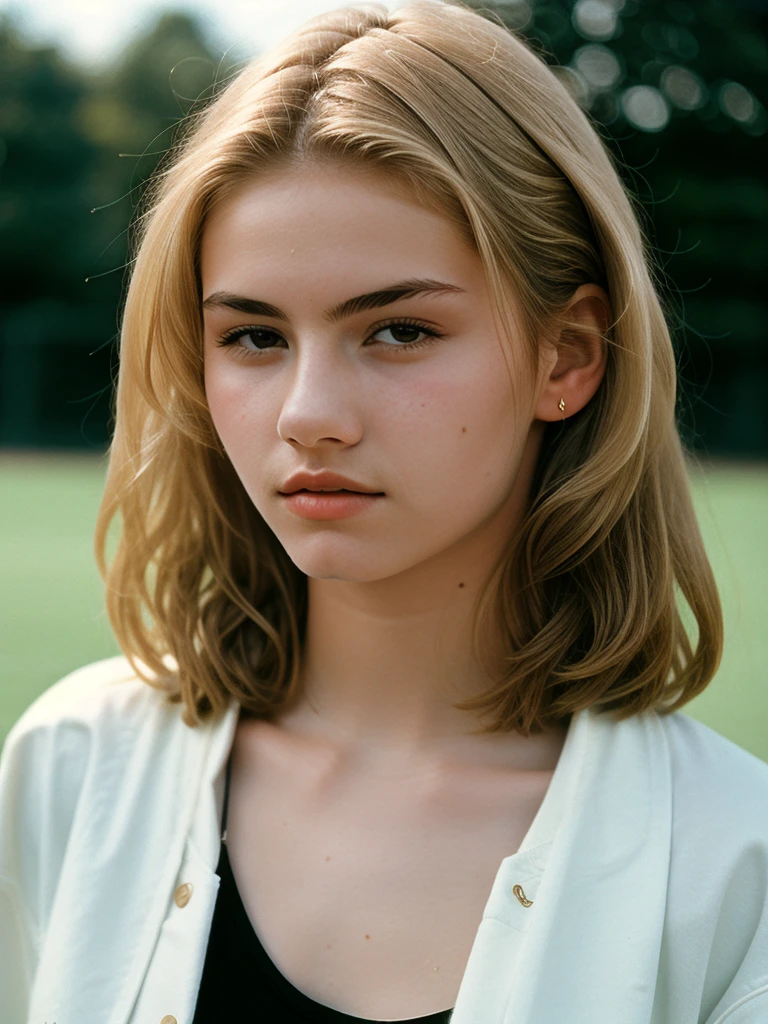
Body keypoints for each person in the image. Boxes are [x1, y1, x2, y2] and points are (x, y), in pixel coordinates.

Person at [1, 1, 767, 1021]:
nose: (309, 415)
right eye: (254, 338)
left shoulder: (733, 863)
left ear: (568, 355)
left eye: (399, 330)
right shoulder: (72, 768)